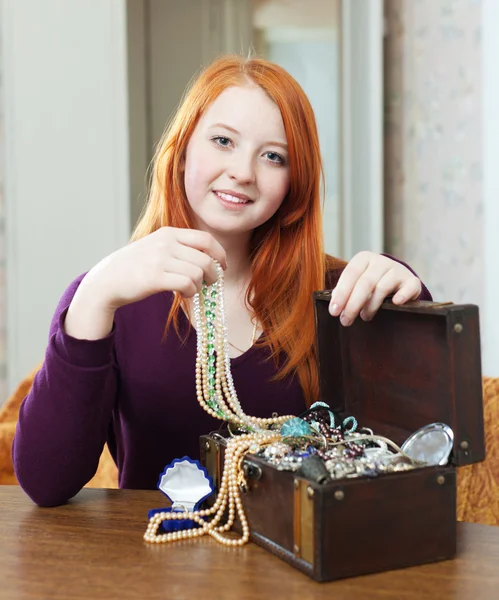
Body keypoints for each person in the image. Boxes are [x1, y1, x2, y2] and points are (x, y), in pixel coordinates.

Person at [13, 55, 431, 507]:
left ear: (296, 181)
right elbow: (45, 483)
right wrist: (93, 299)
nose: (244, 172)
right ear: (183, 148)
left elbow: (416, 451)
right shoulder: (109, 296)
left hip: (303, 567)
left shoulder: (338, 295)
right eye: (223, 141)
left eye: (273, 156)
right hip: (153, 565)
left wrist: (404, 303)